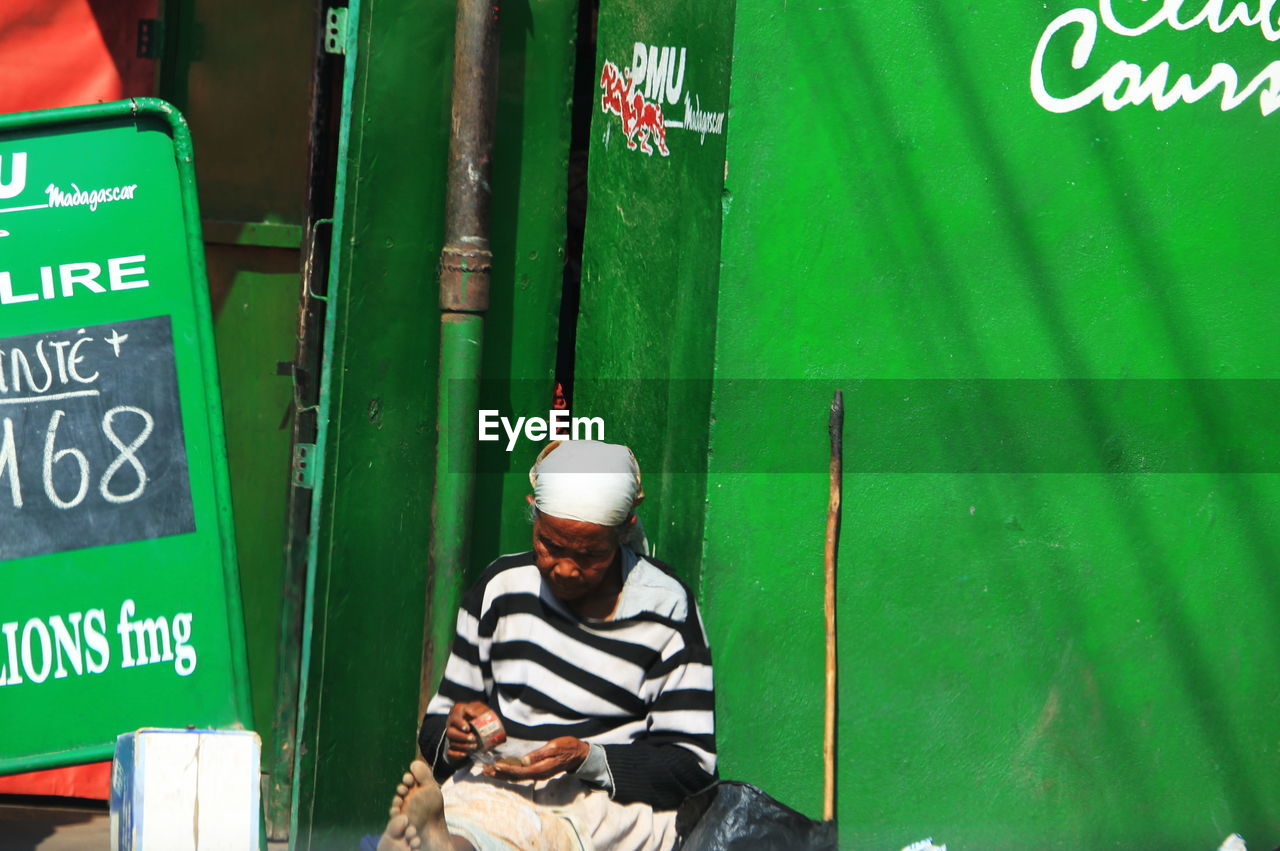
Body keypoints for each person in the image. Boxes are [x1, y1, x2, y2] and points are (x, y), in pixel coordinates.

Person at [377, 440, 716, 851]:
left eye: (591, 554)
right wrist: (457, 735)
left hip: (604, 803)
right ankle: (444, 841)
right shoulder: (501, 589)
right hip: (500, 785)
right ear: (533, 514)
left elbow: (692, 766)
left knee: (560, 833)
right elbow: (436, 730)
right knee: (478, 812)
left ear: (625, 528)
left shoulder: (667, 608)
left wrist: (586, 757)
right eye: (551, 547)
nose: (567, 569)